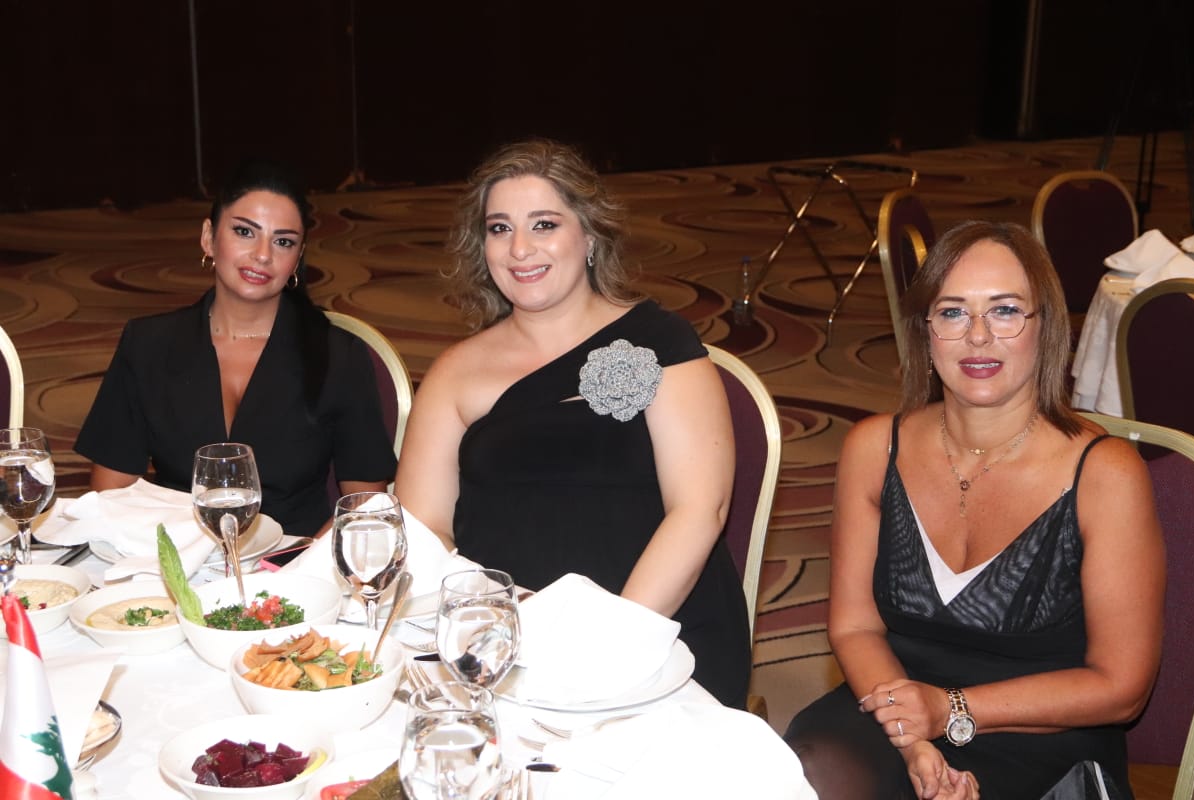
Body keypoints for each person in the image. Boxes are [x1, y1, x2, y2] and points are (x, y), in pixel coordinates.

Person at [784, 220, 1164, 799]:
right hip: (896, 698)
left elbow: (1121, 687)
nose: (978, 336)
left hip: (1045, 733)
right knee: (813, 771)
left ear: (1045, 327)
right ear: (926, 331)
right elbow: (855, 627)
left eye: (1005, 311)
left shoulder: (1104, 474)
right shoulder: (874, 447)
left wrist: (951, 709)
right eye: (953, 312)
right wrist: (912, 735)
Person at [395, 138, 751, 707]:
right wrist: (489, 621)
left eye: (544, 224)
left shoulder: (656, 343)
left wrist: (604, 642)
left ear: (589, 236)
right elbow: (425, 527)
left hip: (649, 631)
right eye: (499, 228)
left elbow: (698, 510)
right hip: (504, 637)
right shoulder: (456, 371)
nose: (520, 249)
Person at [75, 158, 397, 538]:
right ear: (208, 237)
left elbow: (363, 501)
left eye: (283, 241)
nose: (263, 254)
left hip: (295, 560)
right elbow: (112, 490)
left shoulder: (338, 357)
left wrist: (299, 565)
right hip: (177, 559)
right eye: (245, 232)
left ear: (297, 257)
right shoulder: (148, 345)